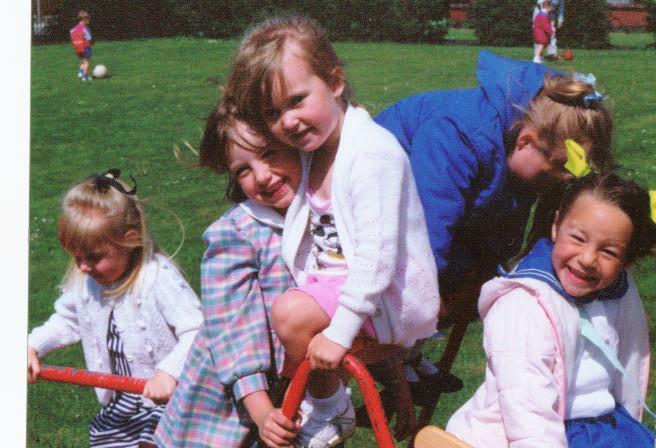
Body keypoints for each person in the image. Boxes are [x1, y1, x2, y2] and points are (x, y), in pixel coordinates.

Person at [224, 15, 440, 447]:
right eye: (273, 113)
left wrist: (341, 331)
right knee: (278, 307)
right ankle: (308, 397)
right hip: (344, 284)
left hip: (388, 297)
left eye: (297, 100)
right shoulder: (313, 151)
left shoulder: (370, 154)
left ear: (336, 81)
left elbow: (377, 257)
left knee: (289, 313)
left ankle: (329, 407)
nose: (288, 121)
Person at [374, 52, 614, 314]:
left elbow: (507, 225)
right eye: (553, 171)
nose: (554, 183)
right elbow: (429, 224)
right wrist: (432, 294)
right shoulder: (458, 134)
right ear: (525, 142)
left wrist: (492, 273)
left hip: (416, 216)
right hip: (372, 205)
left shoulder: (524, 158)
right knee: (412, 302)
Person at [446, 172, 656, 447]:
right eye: (578, 238)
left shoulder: (615, 292)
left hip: (601, 427)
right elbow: (528, 411)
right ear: (556, 226)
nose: (588, 259)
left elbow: (625, 365)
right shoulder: (524, 307)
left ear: (626, 260)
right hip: (536, 432)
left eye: (608, 252)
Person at [154, 103, 303, 448]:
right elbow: (236, 334)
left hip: (288, 394)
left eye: (269, 153)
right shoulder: (236, 235)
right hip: (225, 410)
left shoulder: (318, 218)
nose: (263, 175)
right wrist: (262, 411)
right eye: (243, 170)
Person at [27, 170, 203, 447]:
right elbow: (67, 321)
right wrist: (33, 346)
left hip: (171, 401)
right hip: (122, 405)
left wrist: (169, 371)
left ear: (129, 239)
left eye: (94, 257)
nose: (83, 267)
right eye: (77, 258)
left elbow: (199, 331)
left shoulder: (157, 277)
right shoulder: (87, 283)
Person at [70, 9, 93, 81]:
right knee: (87, 62)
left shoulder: (75, 28)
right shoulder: (85, 28)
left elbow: (71, 32)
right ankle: (85, 77)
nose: (89, 21)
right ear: (84, 19)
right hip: (85, 46)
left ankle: (80, 73)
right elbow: (89, 37)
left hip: (77, 47)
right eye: (88, 19)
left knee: (83, 61)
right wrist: (90, 41)